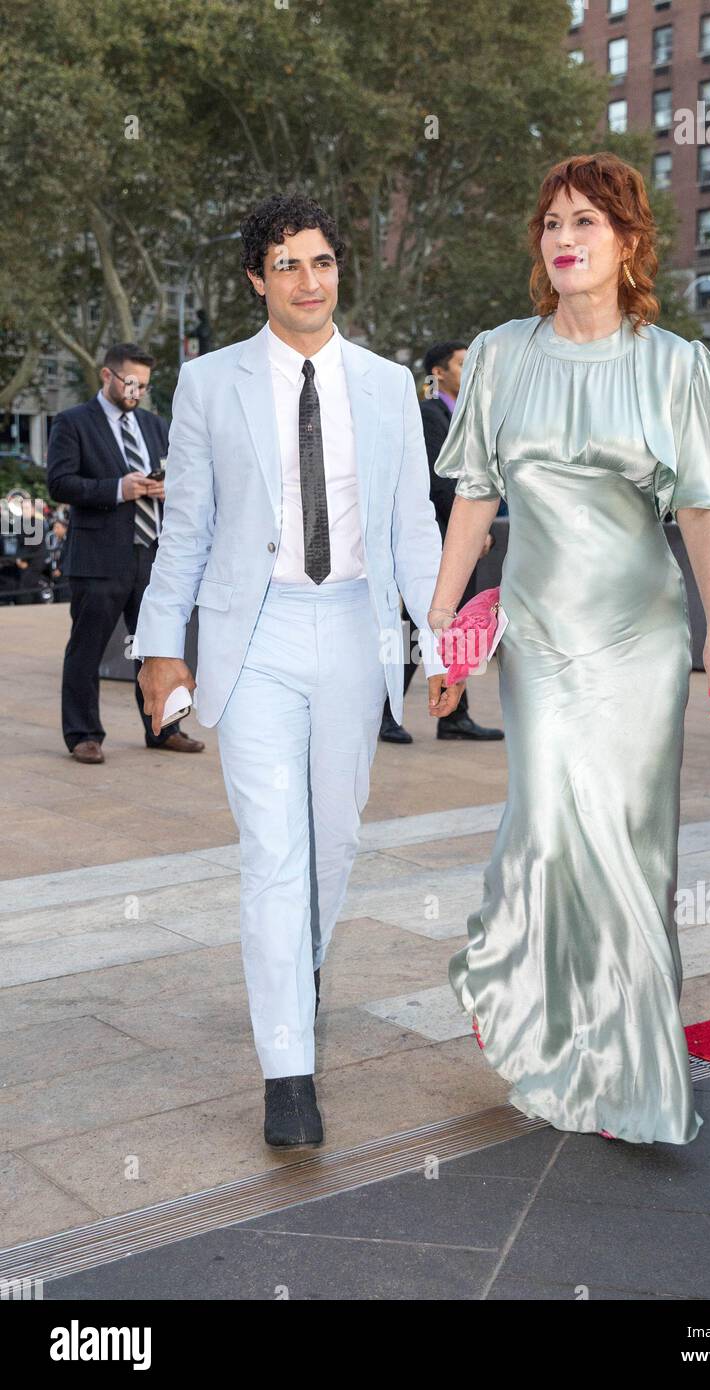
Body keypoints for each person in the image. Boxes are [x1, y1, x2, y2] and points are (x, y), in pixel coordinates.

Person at [428, 151, 710, 1145]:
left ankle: (622, 1064)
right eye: (552, 223)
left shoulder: (674, 364)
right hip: (538, 633)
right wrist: (441, 637)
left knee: (631, 845)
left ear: (627, 242)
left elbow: (699, 507)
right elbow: (473, 499)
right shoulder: (499, 355)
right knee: (553, 825)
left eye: (587, 223)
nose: (564, 239)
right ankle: (531, 1001)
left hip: (641, 634)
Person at [133, 193, 455, 1149]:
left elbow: (414, 527)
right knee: (272, 854)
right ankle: (289, 1073)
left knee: (333, 844)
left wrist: (442, 647)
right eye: (286, 265)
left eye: (320, 262)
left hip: (355, 631)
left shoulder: (390, 384)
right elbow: (186, 528)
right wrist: (159, 646)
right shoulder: (208, 384)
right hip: (257, 634)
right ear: (255, 280)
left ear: (338, 271)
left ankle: (301, 964)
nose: (307, 282)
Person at [45, 344, 205, 761]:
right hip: (98, 559)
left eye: (144, 386)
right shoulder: (72, 422)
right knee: (87, 650)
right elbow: (60, 483)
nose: (136, 392)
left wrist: (167, 487)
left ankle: (164, 729)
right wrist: (120, 488)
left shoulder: (155, 425)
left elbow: (181, 474)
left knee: (156, 647)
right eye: (130, 383)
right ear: (107, 376)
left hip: (151, 557)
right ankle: (83, 735)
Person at [379, 340, 504, 745]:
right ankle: (385, 710)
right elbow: (437, 479)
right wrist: (471, 527)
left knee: (459, 623)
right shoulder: (430, 413)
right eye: (462, 364)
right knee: (421, 625)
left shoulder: (464, 413)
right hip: (438, 536)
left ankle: (455, 714)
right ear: (438, 372)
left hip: (459, 536)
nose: (470, 371)